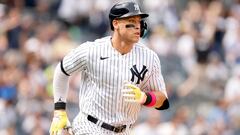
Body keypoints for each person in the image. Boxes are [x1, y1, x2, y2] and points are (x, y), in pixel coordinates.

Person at [49, 1, 169, 135]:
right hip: (89, 126)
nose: (138, 26)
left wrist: (144, 97)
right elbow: (62, 71)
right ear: (116, 23)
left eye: (139, 21)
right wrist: (59, 111)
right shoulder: (92, 50)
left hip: (125, 130)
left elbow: (163, 101)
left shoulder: (149, 58)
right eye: (131, 20)